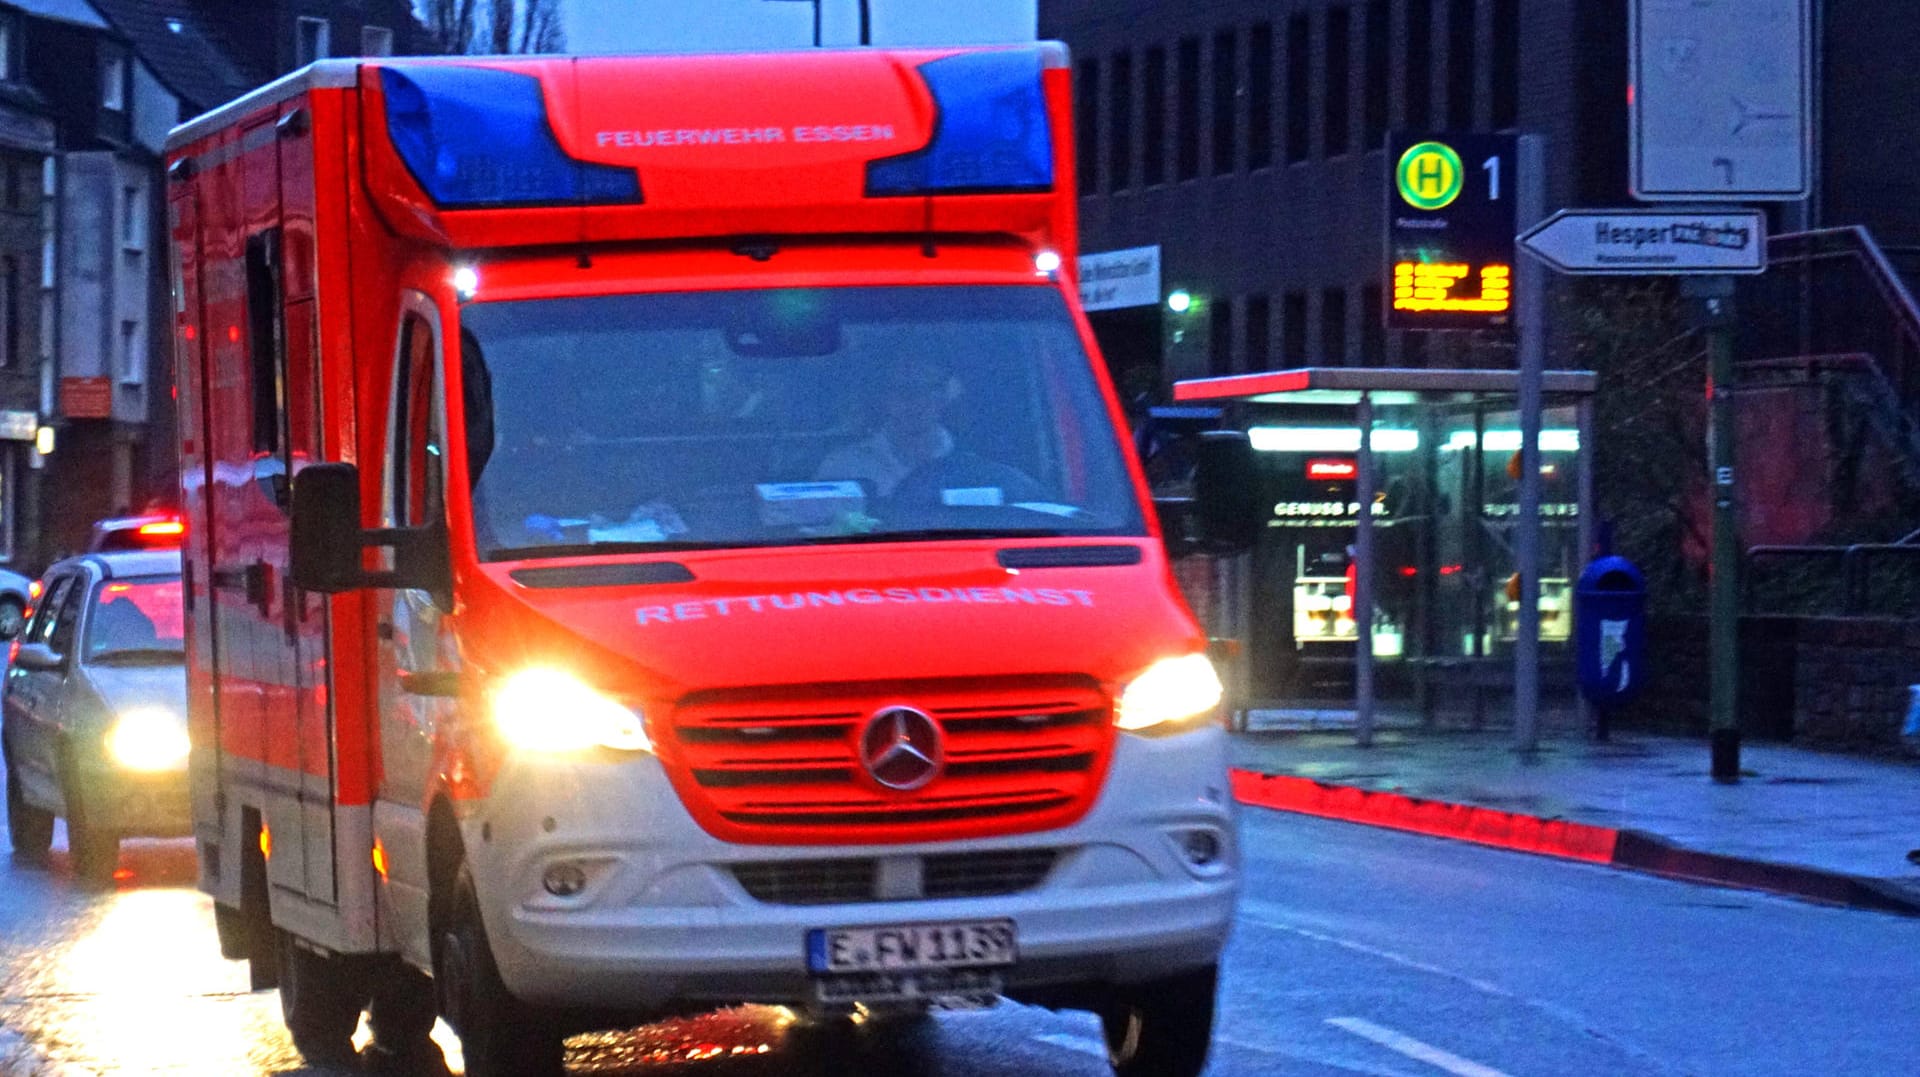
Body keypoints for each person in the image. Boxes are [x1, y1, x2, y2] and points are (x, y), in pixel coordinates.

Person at [815, 359, 957, 497]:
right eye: (902, 390)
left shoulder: (972, 464)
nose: (915, 401)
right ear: (883, 398)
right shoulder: (842, 467)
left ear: (945, 397)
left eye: (926, 389)